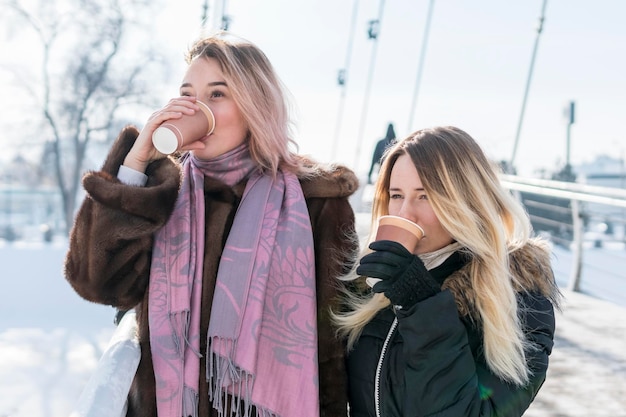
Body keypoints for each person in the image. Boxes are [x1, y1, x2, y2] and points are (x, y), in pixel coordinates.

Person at [64, 32, 359, 417]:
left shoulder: (315, 203)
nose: (196, 107)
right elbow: (95, 280)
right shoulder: (161, 194)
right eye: (188, 94)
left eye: (217, 94)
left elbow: (333, 348)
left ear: (255, 105)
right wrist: (136, 165)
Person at [332, 126, 561, 416]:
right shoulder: (369, 284)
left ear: (465, 200)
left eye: (425, 196)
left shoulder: (520, 300)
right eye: (396, 195)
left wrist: (420, 302)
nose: (405, 213)